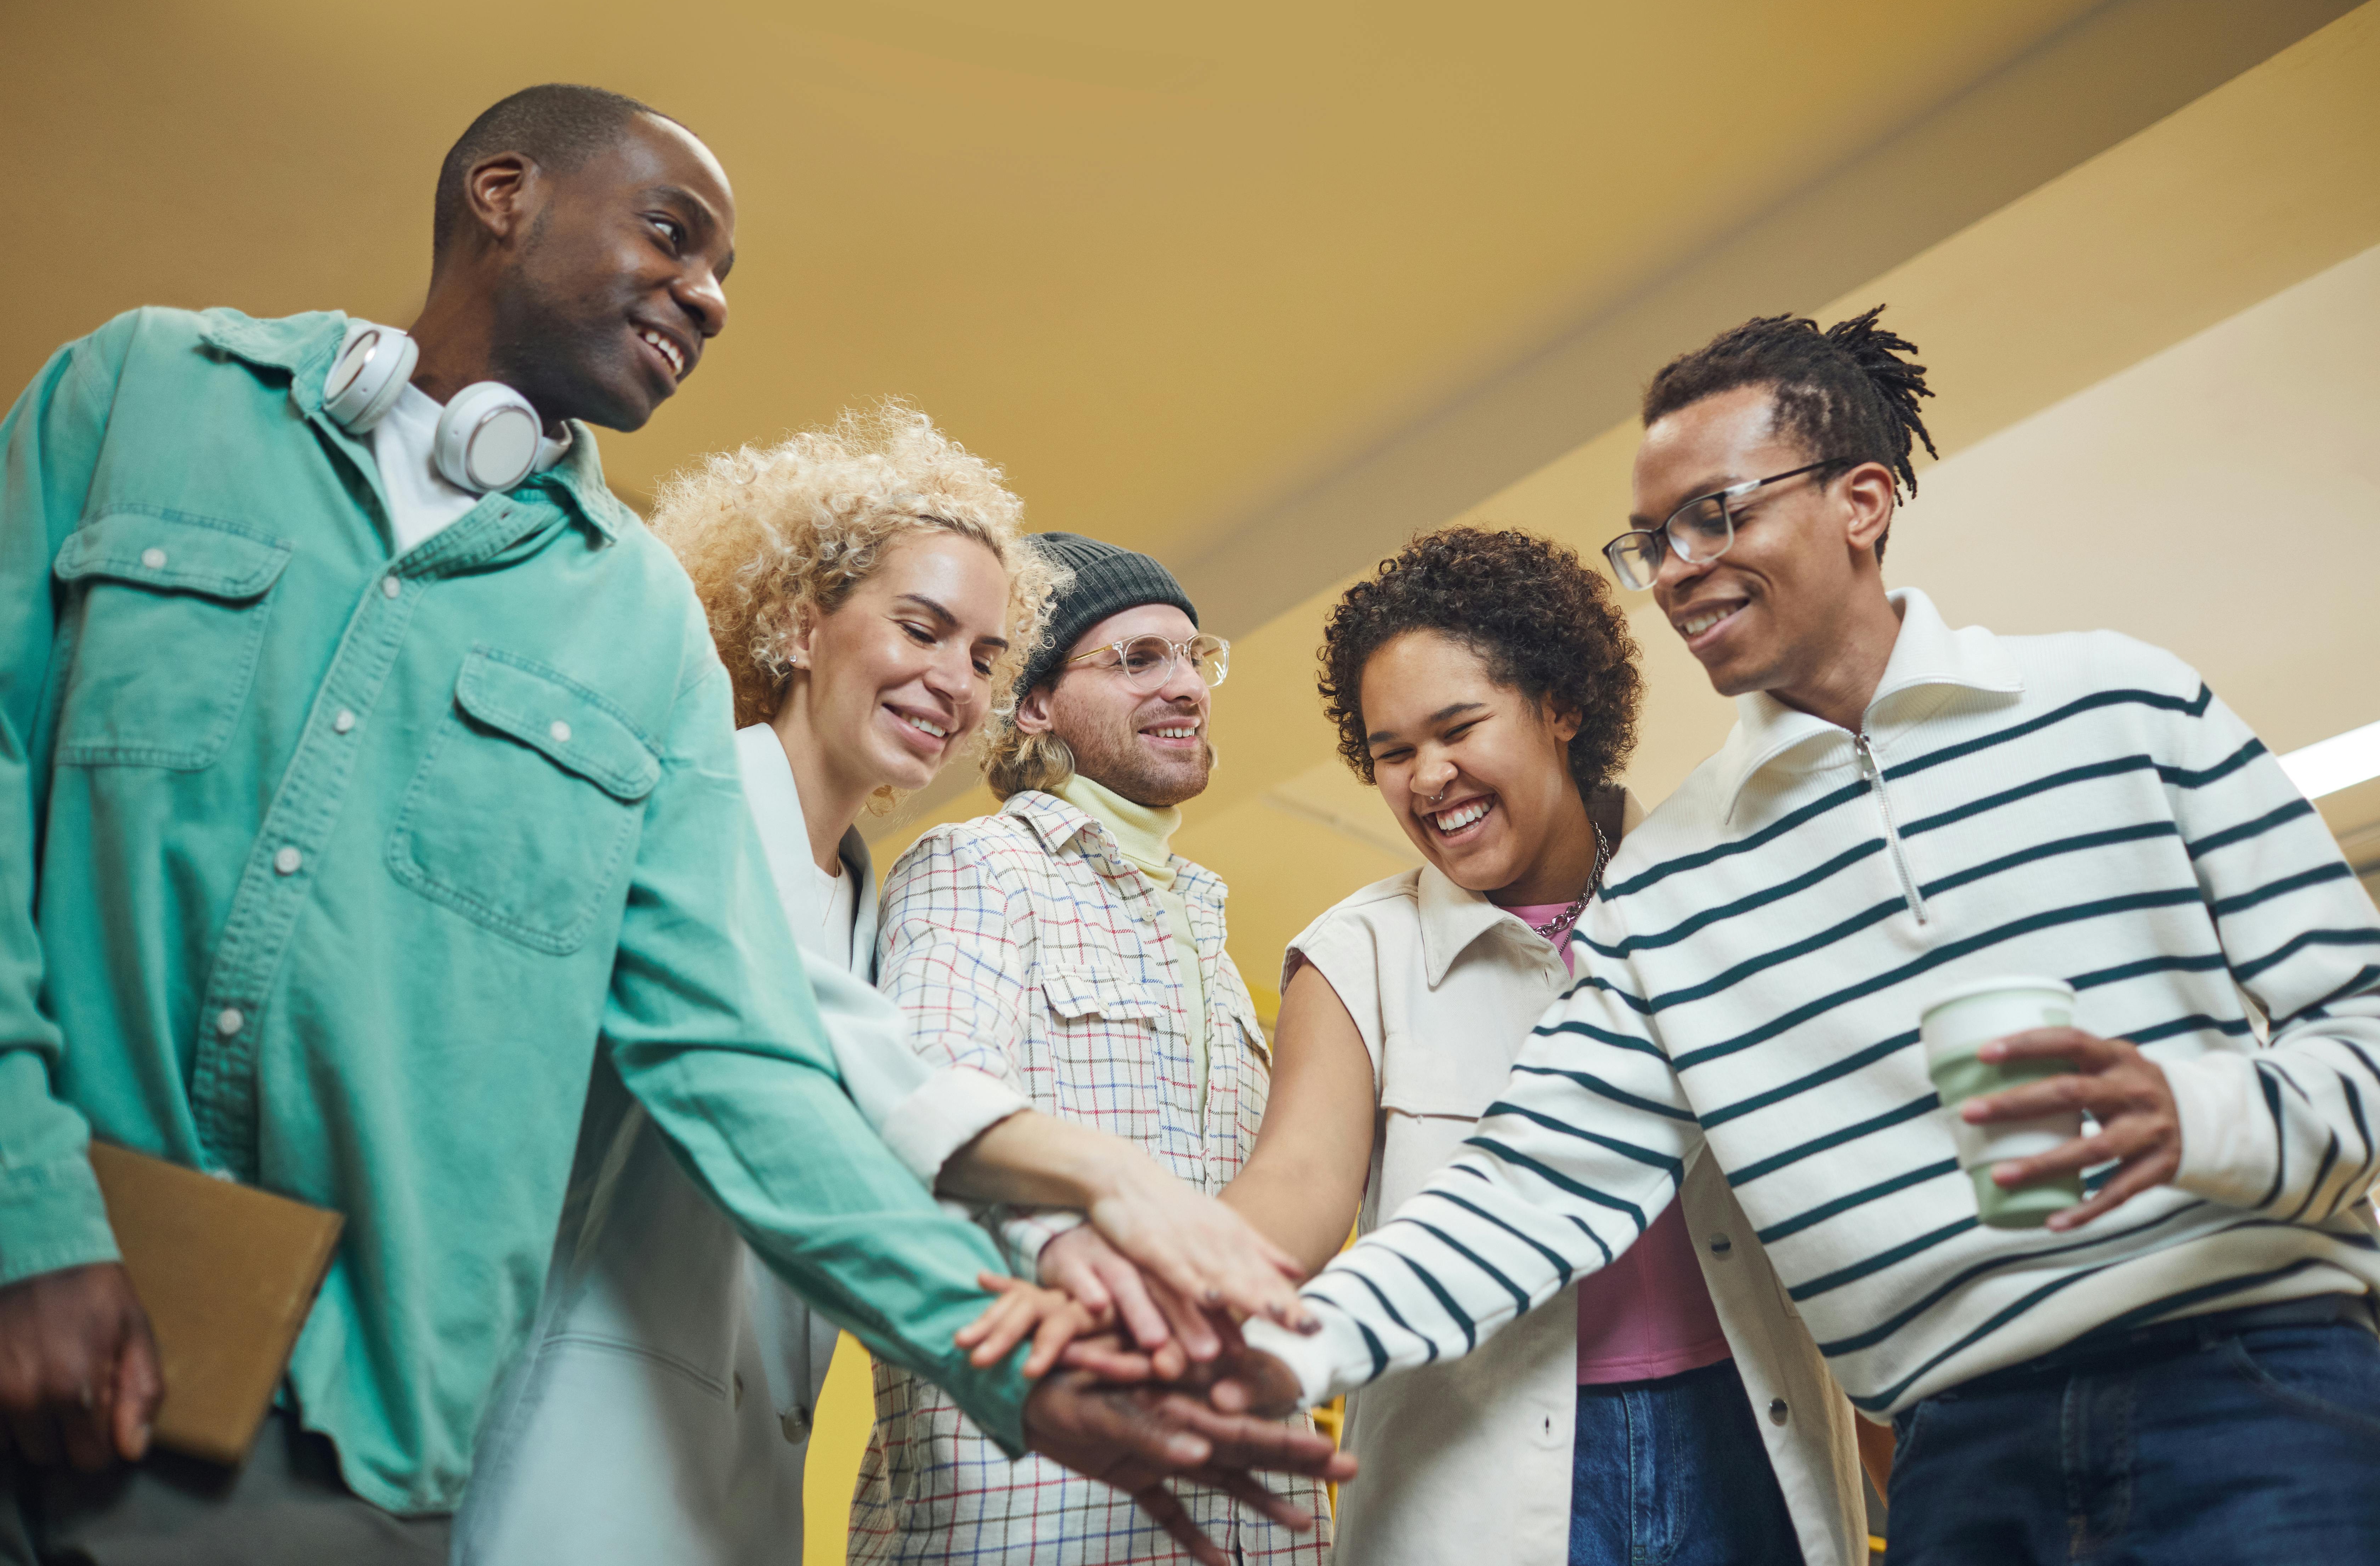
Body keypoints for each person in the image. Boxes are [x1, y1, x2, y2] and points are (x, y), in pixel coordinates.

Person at [0, 84, 1348, 1565]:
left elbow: (740, 1051)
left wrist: (1016, 1357)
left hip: (344, 1430)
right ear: (501, 194)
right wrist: (31, 1211)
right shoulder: (139, 395)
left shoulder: (629, 625)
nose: (707, 297)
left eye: (983, 653)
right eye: (673, 234)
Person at [1203, 309, 2380, 1561]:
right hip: (1958, 1458)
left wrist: (2199, 1119)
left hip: (2252, 1386)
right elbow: (1526, 1189)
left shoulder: (2125, 704)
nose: (1674, 568)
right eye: (1652, 542)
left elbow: (2359, 1029)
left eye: (1718, 516)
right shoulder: (1670, 887)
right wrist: (1260, 1349)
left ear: (1862, 500)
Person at [458, 404, 1310, 1565]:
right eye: (921, 629)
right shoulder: (677, 807)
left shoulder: (867, 906)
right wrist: (1094, 1190)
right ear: (801, 626)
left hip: (751, 1480)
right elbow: (793, 1052)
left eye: (982, 656)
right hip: (578, 1439)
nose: (952, 681)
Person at [1223, 524, 1867, 1565]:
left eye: (1457, 727)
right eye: (1393, 752)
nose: (1429, 775)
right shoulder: (1356, 954)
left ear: (1562, 705)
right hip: (1471, 1474)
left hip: (1742, 1443)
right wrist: (1173, 1301)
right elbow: (1295, 1186)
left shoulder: (1710, 897)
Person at [853, 533, 1330, 1563]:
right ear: (1033, 703)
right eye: (1138, 659)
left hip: (1243, 1504)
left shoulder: (1206, 917)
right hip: (1029, 1499)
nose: (1187, 687)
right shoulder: (980, 866)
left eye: (1196, 658)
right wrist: (1080, 1279)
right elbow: (930, 1111)